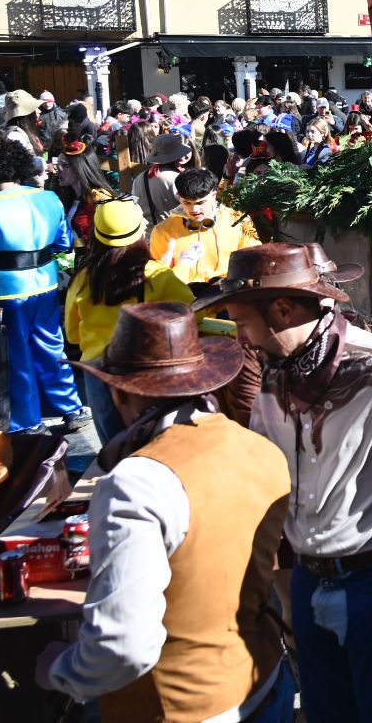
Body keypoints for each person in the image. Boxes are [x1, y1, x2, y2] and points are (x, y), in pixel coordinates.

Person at [202, 243, 372, 721]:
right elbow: (263, 476)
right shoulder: (270, 378)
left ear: (281, 309)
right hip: (307, 582)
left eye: (242, 322)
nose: (240, 338)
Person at [38, 302, 294, 721]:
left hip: (178, 707)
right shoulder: (261, 449)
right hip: (263, 679)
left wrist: (61, 670)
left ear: (120, 392)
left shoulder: (135, 483)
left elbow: (123, 647)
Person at [65, 197, 201, 442]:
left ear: (96, 234)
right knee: (152, 447)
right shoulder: (156, 275)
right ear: (141, 232)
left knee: (113, 448)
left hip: (98, 374)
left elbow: (73, 335)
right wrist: (183, 267)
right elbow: (192, 313)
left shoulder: (83, 278)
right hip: (144, 372)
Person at [0, 137, 86, 434]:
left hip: (5, 291)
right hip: (47, 282)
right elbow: (64, 244)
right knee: (52, 344)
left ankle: (27, 420)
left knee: (17, 355)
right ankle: (70, 407)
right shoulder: (49, 198)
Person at [147, 167, 260, 288]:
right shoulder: (162, 231)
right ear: (179, 197)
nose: (194, 210)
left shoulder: (238, 219)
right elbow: (159, 279)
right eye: (187, 203)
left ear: (214, 195)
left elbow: (253, 259)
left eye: (200, 203)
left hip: (229, 293)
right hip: (186, 296)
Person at [130, 131, 192, 227]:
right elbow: (190, 209)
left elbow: (135, 205)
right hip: (171, 233)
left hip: (146, 233)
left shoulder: (140, 177)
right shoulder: (177, 178)